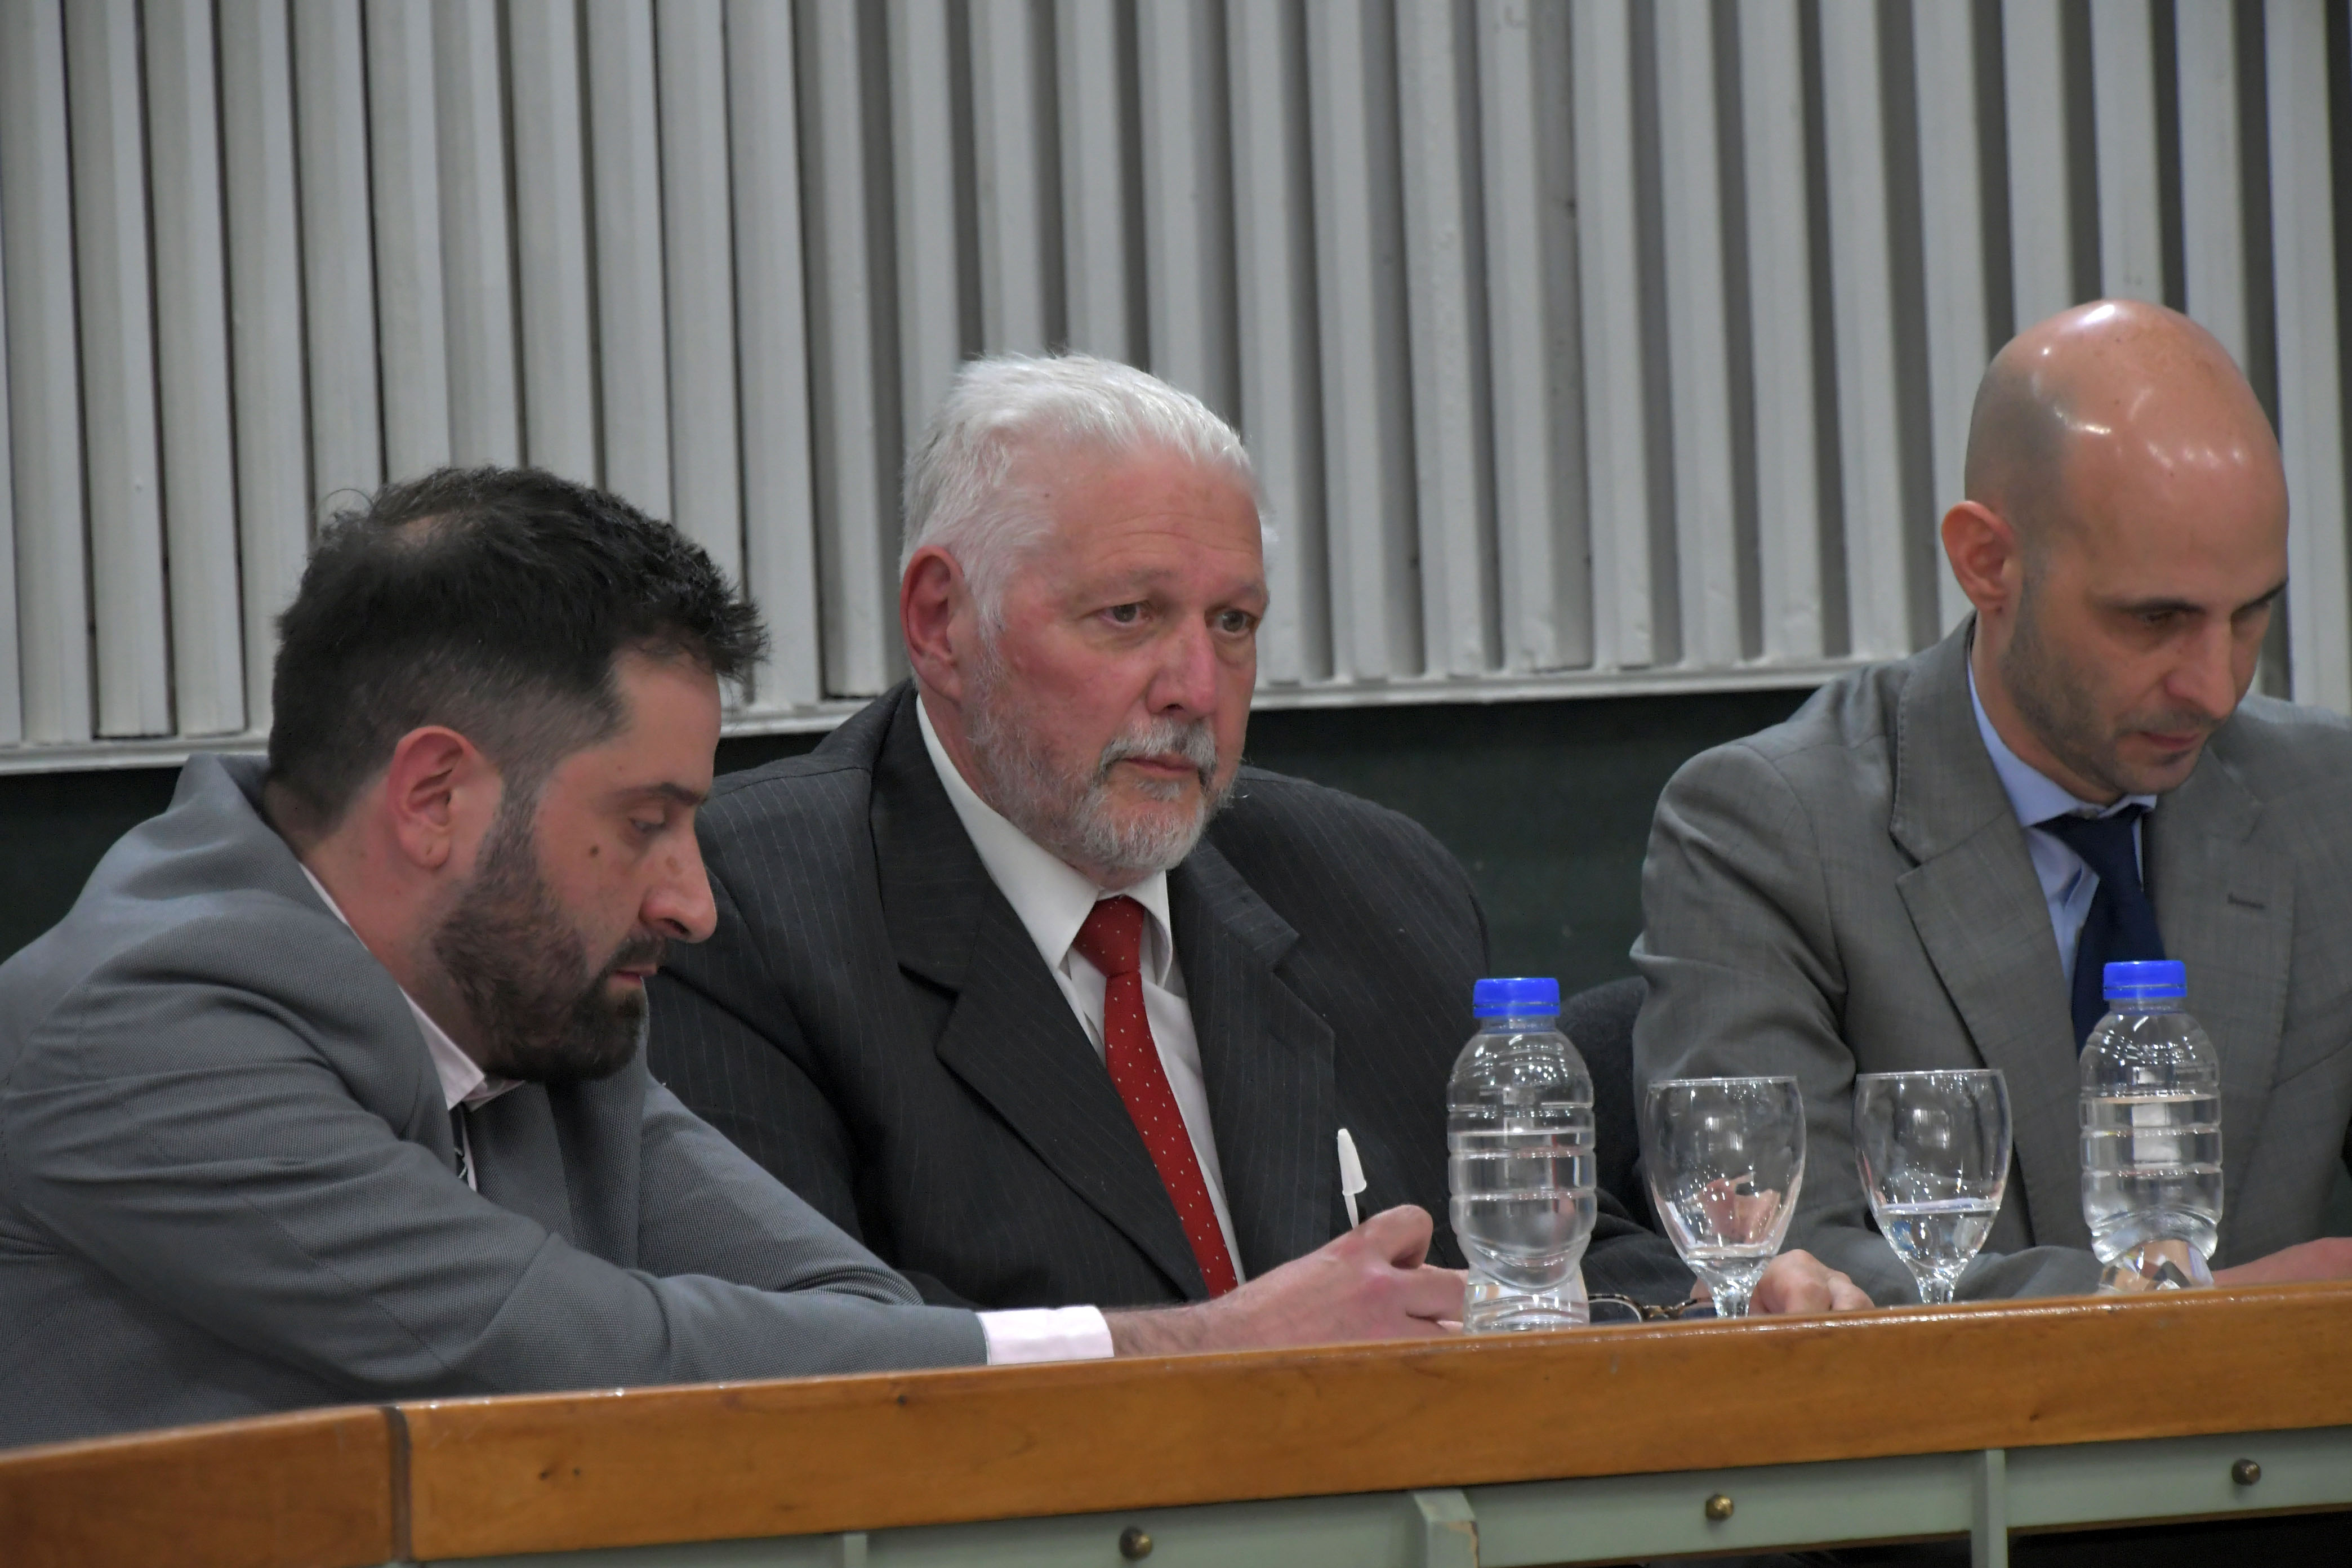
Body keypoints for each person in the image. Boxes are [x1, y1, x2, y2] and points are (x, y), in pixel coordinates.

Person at [0, 468, 1468, 1451]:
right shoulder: (132, 1037)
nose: (695, 902)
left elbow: (867, 1330)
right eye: (645, 823)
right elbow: (575, 1352)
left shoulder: (533, 1005)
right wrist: (1205, 1350)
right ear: (435, 797)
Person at [647, 354, 1863, 1322]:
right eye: (1129, 616)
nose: (1194, 686)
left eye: (1233, 623)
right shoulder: (748, 911)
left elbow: (1530, 1261)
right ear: (942, 621)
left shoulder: (1369, 883)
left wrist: (1716, 1296)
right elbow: (819, 1360)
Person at [1633, 300, 2352, 1304]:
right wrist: (2197, 1313)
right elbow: (1787, 1262)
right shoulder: (1769, 829)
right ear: (1988, 564)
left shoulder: (2326, 804)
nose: (2216, 686)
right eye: (2156, 619)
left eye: (2252, 616)